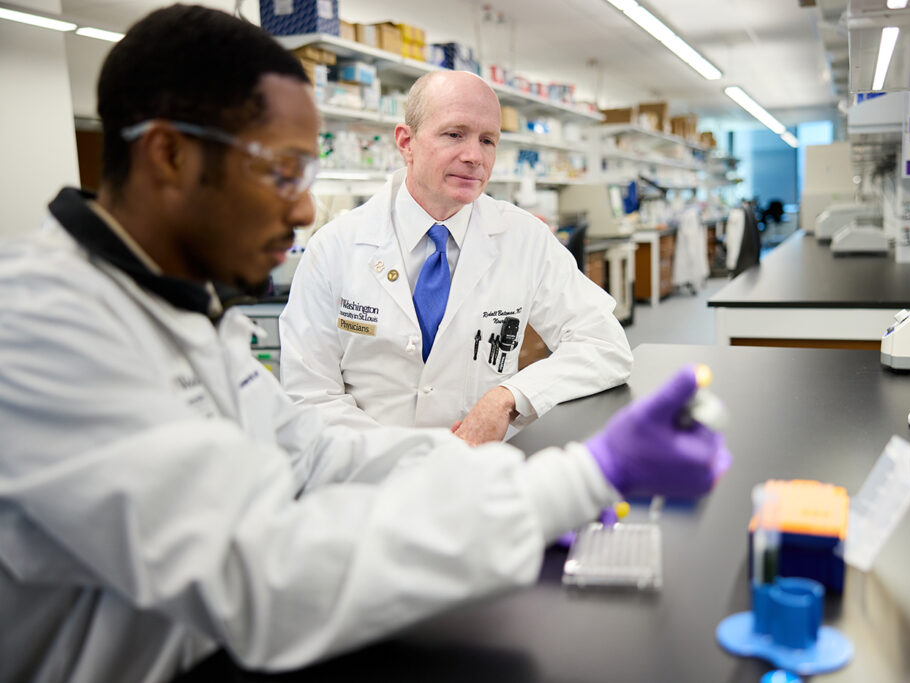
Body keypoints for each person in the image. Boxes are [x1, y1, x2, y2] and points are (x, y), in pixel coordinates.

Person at [0, 6, 731, 682]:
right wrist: (572, 484)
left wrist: (511, 485)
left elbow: (314, 454)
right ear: (168, 156)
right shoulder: (39, 326)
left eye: (309, 171)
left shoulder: (188, 311)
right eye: (282, 169)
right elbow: (262, 574)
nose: (305, 205)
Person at [278, 69, 633, 445]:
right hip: (365, 478)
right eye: (454, 134)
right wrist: (400, 457)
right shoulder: (334, 248)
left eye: (488, 140)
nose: (474, 157)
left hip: (481, 473)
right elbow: (309, 396)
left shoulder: (525, 239)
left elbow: (605, 345)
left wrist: (508, 398)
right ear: (406, 141)